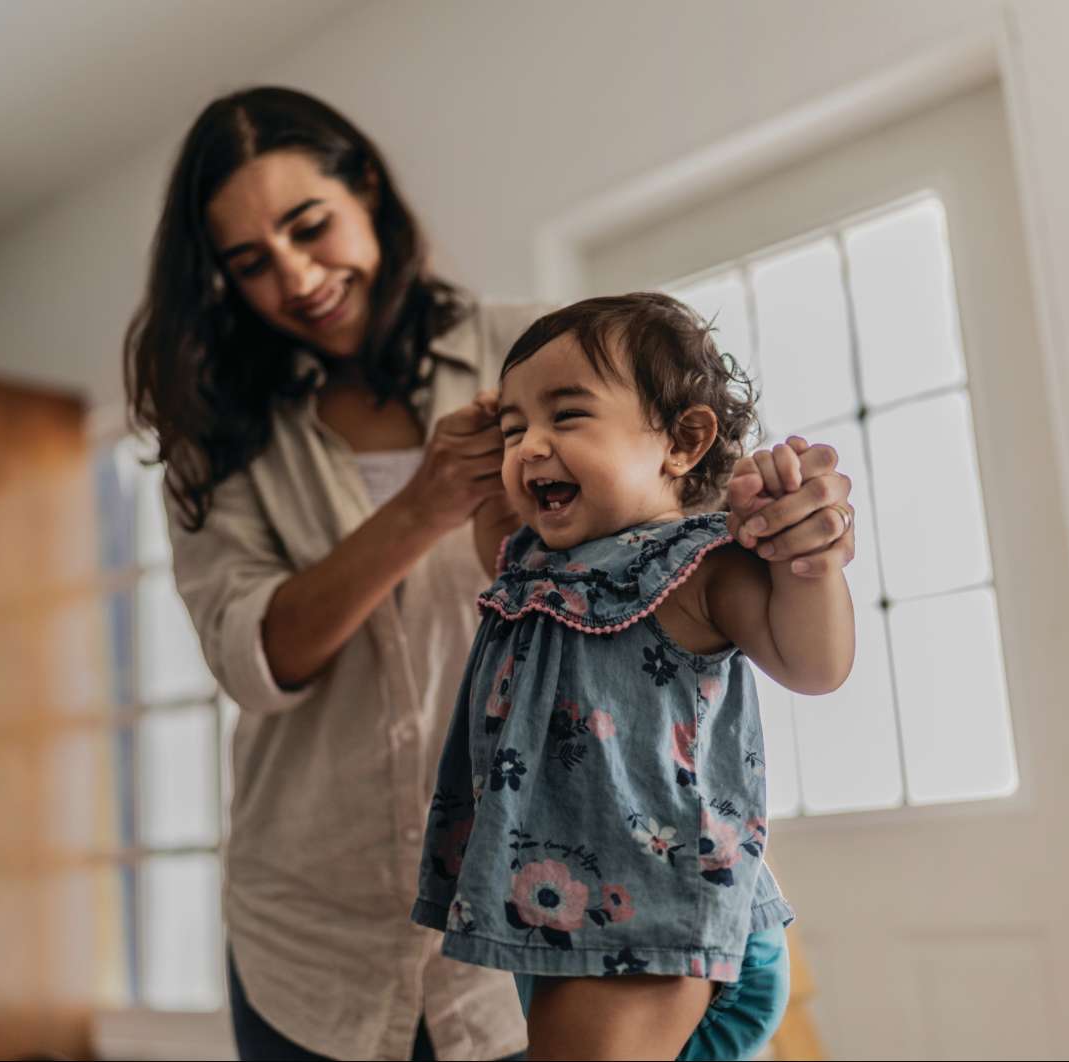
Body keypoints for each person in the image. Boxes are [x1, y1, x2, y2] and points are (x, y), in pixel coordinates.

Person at [124, 87, 858, 1061]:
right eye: (250, 263)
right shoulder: (221, 441)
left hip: (562, 926)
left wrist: (797, 535)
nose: (296, 277)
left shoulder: (548, 352)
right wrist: (421, 507)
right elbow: (256, 660)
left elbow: (700, 521)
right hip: (314, 931)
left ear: (366, 190)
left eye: (310, 226)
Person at [411, 293, 857, 1060]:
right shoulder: (528, 565)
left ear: (682, 441)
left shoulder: (698, 563)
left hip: (656, 911)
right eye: (515, 429)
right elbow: (495, 521)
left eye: (567, 416)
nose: (530, 446)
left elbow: (815, 666)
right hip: (578, 917)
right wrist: (489, 437)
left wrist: (805, 564)